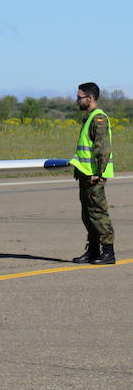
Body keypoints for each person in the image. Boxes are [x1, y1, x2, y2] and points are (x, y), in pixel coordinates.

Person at [69, 82, 115, 264]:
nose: (77, 100)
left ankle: (108, 252)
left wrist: (99, 172)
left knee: (98, 214)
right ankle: (94, 249)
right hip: (85, 175)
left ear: (90, 98)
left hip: (95, 176)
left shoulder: (98, 118)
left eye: (79, 97)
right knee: (87, 215)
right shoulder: (88, 118)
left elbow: (103, 148)